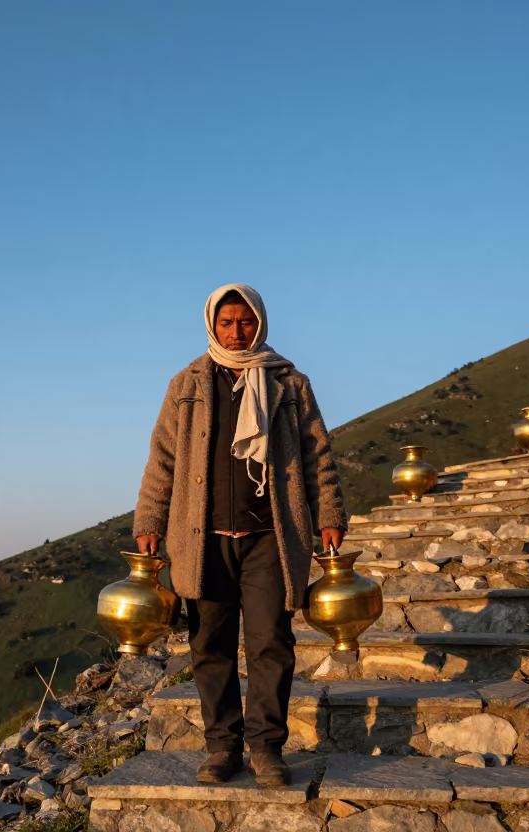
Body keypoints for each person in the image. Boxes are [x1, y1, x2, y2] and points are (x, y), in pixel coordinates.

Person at [133, 284, 347, 788]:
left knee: (271, 640)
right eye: (227, 323)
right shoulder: (186, 383)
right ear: (212, 325)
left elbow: (318, 454)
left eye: (245, 321)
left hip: (271, 535)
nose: (237, 331)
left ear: (260, 322)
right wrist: (149, 521)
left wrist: (330, 512)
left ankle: (267, 749)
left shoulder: (289, 382)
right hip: (201, 538)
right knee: (210, 644)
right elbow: (162, 458)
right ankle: (222, 747)